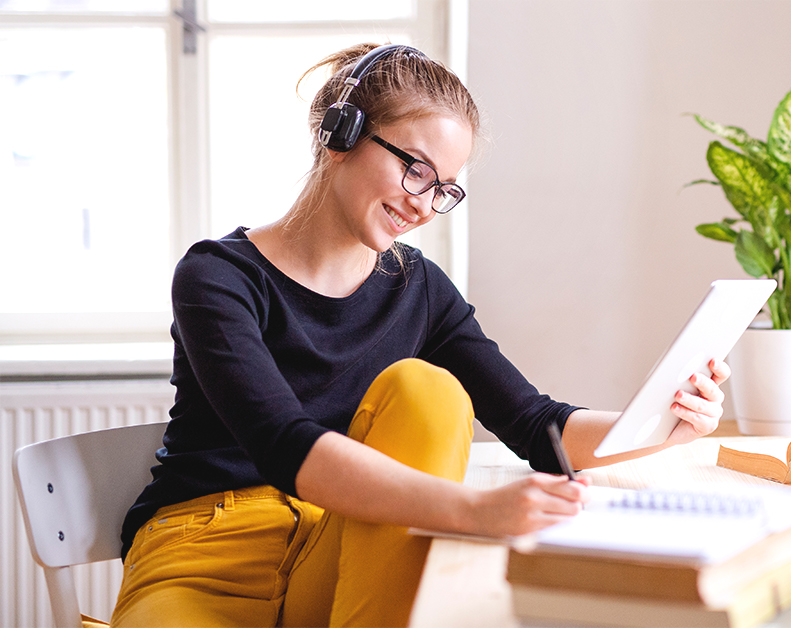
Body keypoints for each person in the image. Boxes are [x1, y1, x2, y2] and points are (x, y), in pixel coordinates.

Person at [110, 43, 730, 627]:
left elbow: (538, 425)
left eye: (443, 188)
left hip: (342, 542)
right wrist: (472, 512)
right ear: (339, 135)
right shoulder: (218, 275)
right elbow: (280, 442)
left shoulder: (421, 290)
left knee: (425, 390)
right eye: (415, 169)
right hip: (207, 551)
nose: (425, 204)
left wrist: (662, 423)